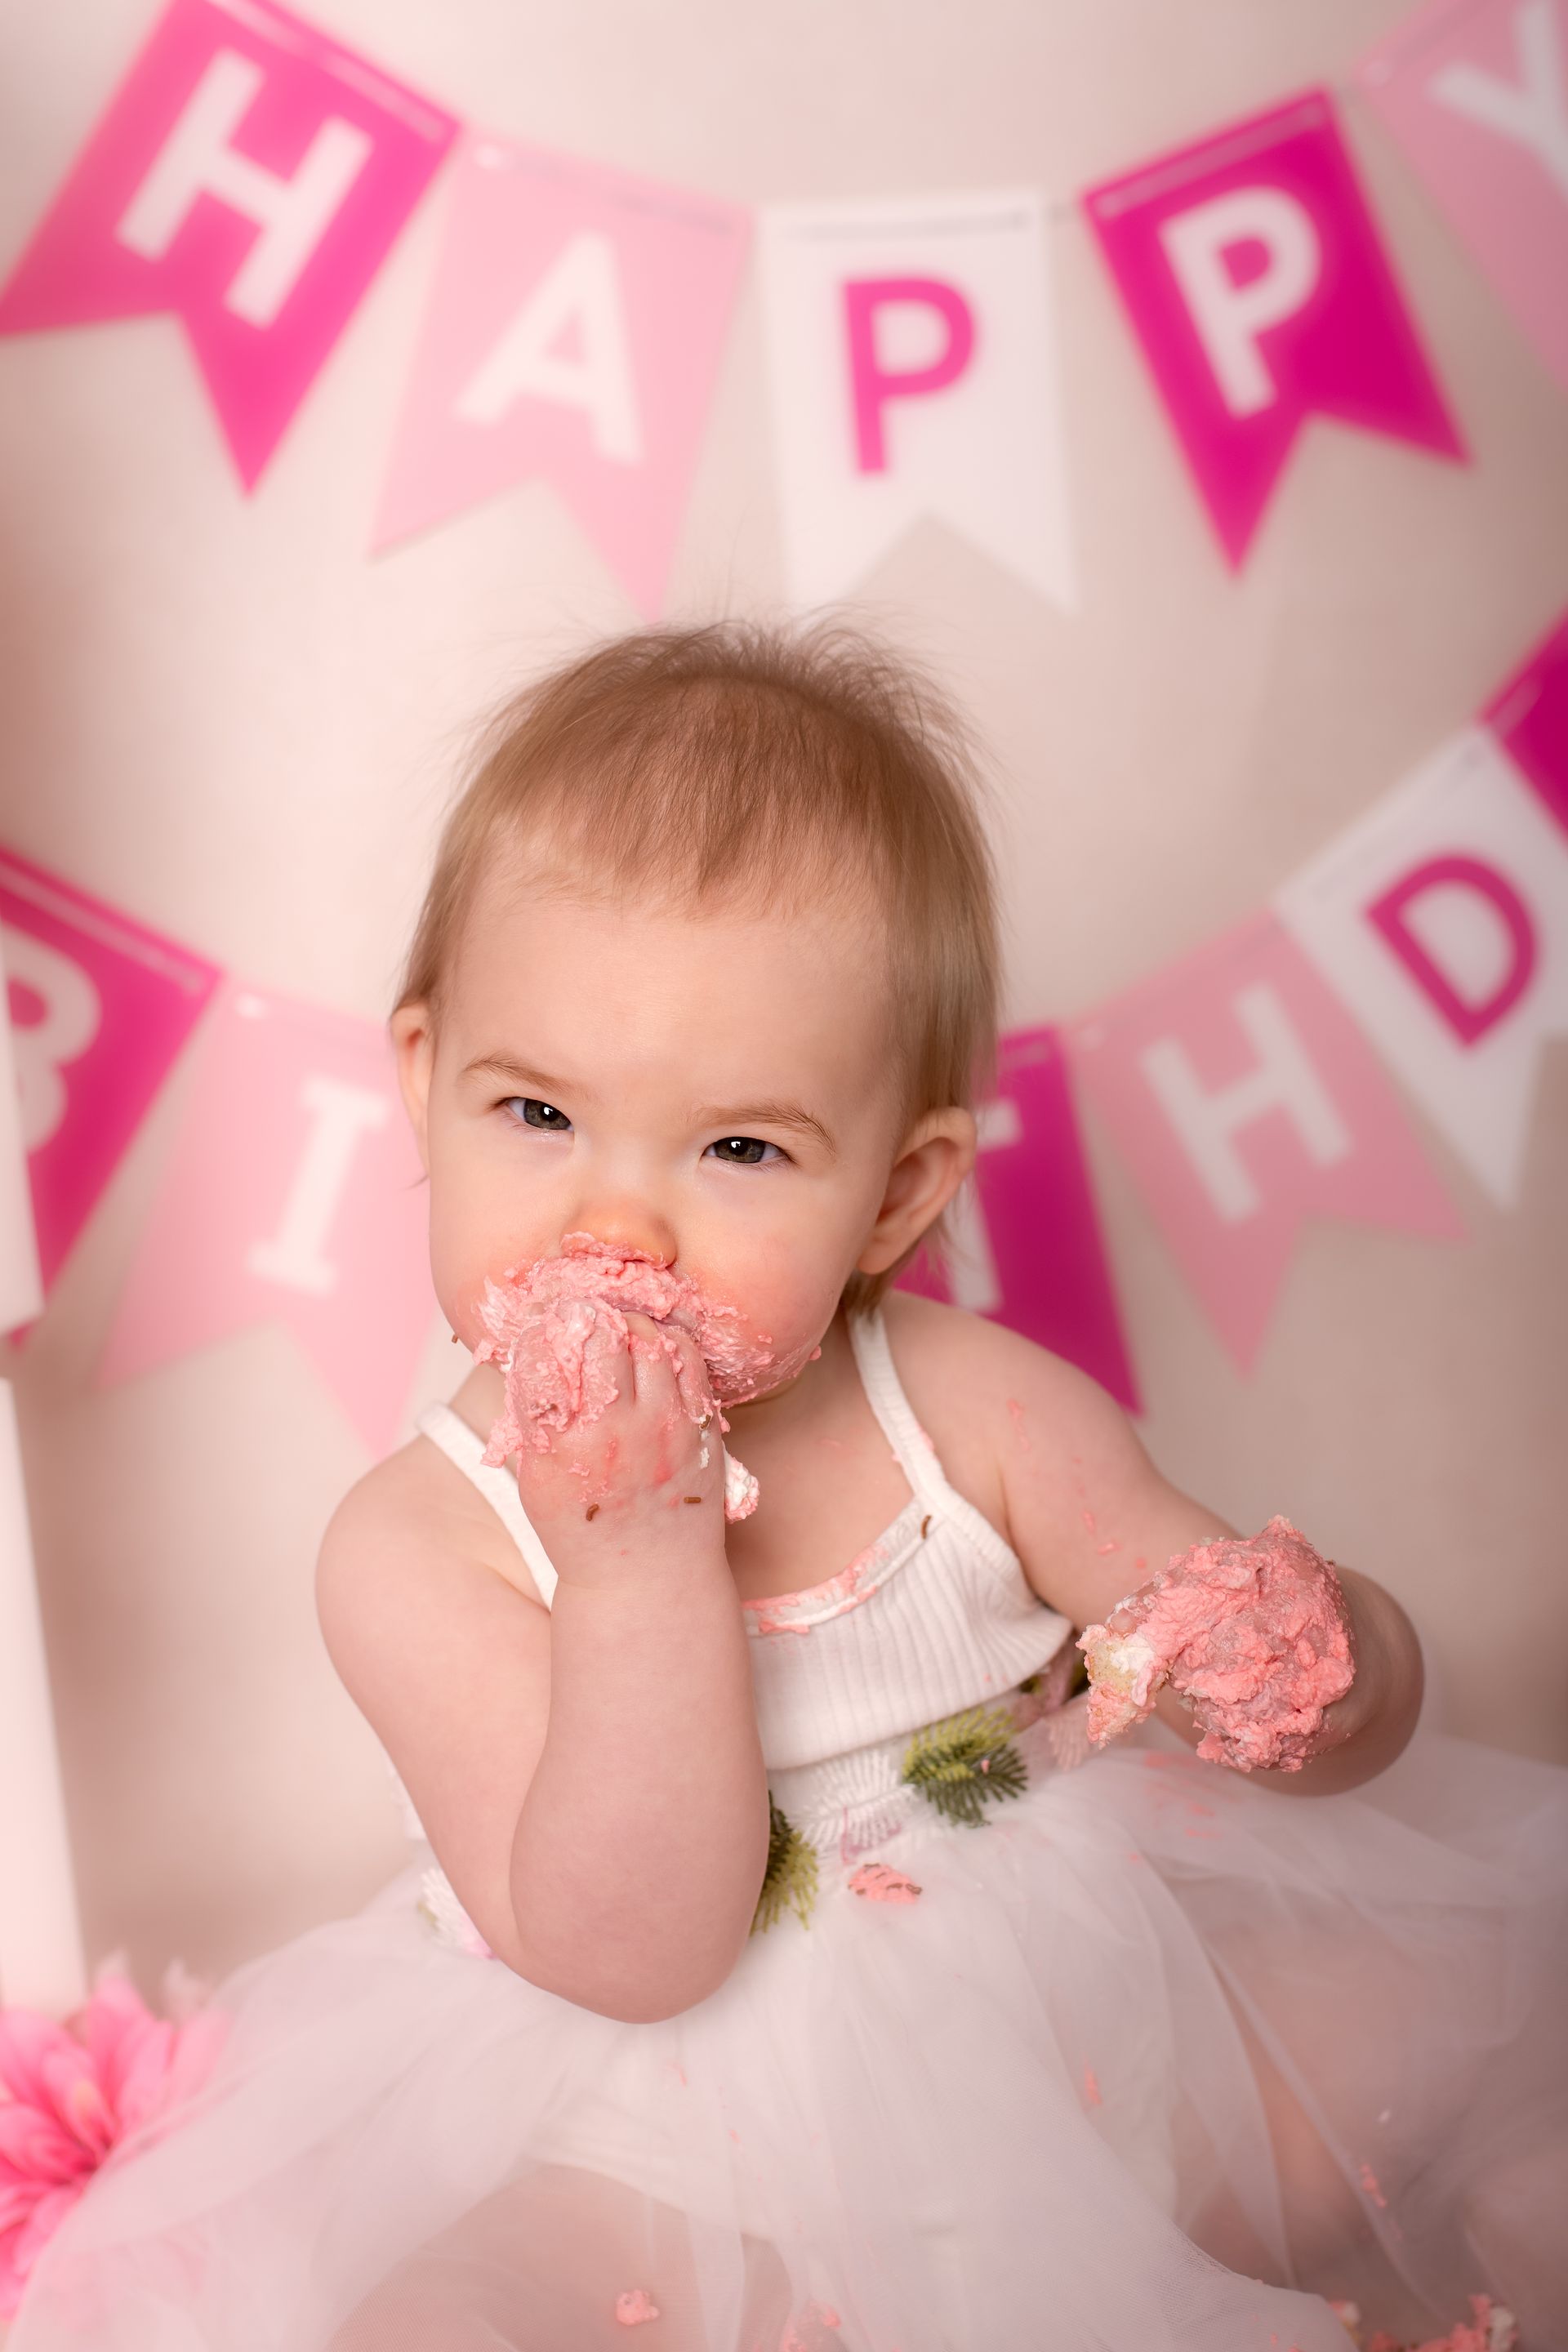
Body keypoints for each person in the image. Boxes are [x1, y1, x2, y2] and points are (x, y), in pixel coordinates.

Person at [12, 622, 1565, 2352]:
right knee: (431, 2319)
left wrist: (1320, 1662)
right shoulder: (420, 1541)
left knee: (1475, 2059)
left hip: (1069, 2029)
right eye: (535, 1114)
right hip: (644, 2129)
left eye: (739, 1149)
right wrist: (631, 1561)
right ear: (423, 1085)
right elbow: (639, 1950)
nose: (618, 1222)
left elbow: (1247, 1660)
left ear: (896, 1198)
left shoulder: (969, 1412)